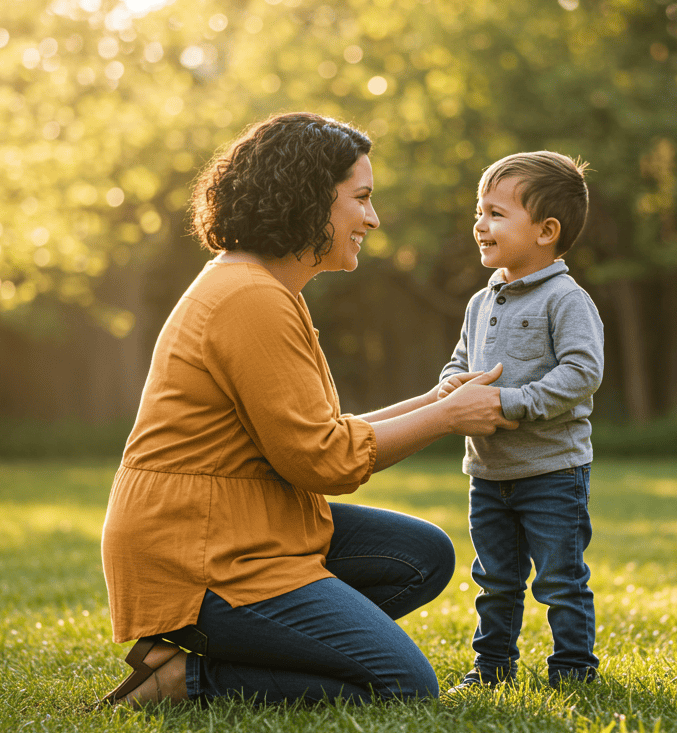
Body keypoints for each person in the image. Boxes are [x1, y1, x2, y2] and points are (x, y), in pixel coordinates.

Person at [98, 112, 517, 707]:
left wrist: (436, 400)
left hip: (244, 525)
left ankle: (229, 647)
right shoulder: (250, 299)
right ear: (309, 198)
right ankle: (184, 681)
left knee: (418, 556)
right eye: (362, 198)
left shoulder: (264, 288)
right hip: (200, 551)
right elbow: (322, 462)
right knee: (404, 685)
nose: (372, 218)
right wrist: (448, 418)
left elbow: (314, 436)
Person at [436, 151, 605, 690]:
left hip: (551, 471)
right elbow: (461, 361)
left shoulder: (566, 298)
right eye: (478, 212)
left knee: (560, 578)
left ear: (546, 230)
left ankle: (574, 669)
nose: (480, 225)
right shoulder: (479, 302)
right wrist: (452, 388)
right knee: (494, 580)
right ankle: (492, 668)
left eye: (495, 213)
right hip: (488, 474)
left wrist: (512, 403)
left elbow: (582, 372)